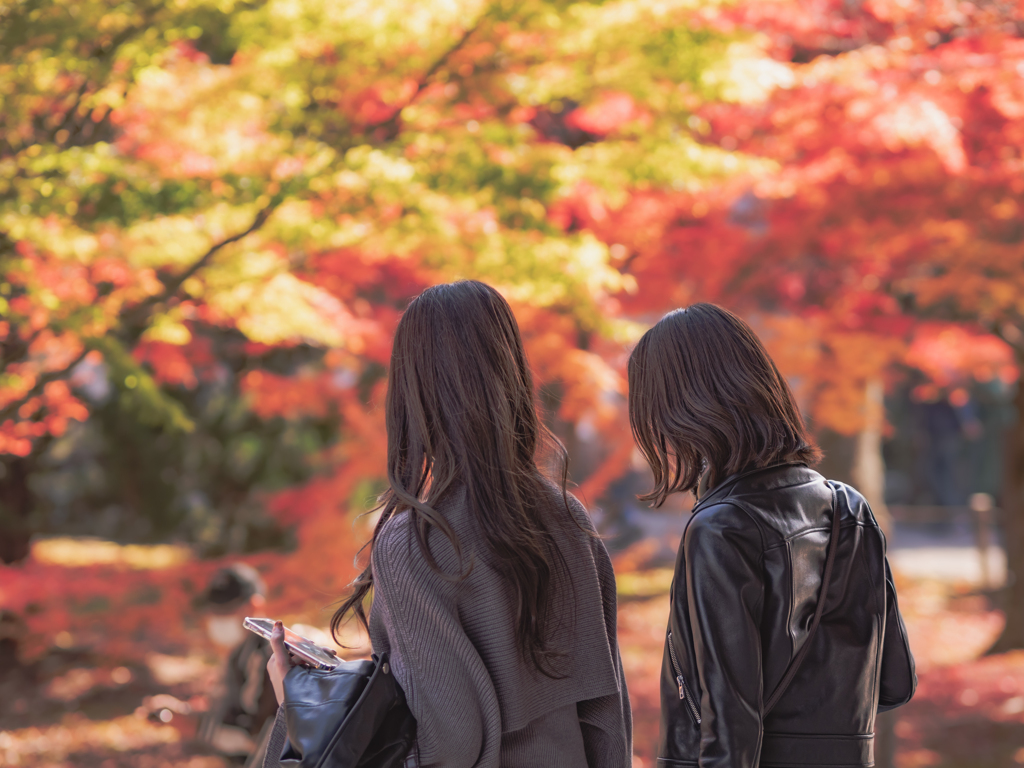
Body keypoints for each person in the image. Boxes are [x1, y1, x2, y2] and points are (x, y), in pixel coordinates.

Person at [265, 280, 632, 767]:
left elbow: (443, 746)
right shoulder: (566, 517)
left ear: (414, 392)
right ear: (512, 374)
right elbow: (605, 711)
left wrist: (300, 700)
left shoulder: (415, 543)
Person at [627, 304, 916, 768]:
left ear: (680, 409)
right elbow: (895, 682)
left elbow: (730, 732)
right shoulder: (851, 508)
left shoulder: (720, 527)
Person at [196, 563, 278, 767]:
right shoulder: (239, 653)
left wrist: (196, 726)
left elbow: (255, 738)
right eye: (215, 611)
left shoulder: (270, 655)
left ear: (254, 606)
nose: (219, 618)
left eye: (227, 611)